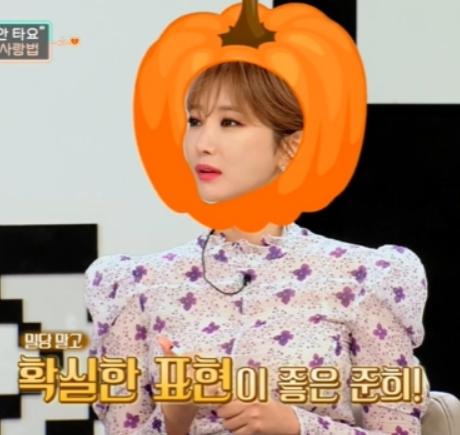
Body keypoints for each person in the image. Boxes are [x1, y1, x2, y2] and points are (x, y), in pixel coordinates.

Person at [84, 62, 430, 435]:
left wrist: (297, 425)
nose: (202, 144)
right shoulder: (137, 285)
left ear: (289, 146)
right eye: (195, 121)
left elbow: (397, 429)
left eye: (230, 122)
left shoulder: (361, 278)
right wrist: (175, 416)